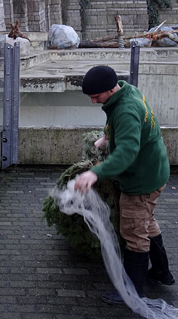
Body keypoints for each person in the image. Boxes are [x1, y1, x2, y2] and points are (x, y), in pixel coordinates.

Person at [74, 65, 174, 305]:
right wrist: (108, 137)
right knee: (147, 221)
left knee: (133, 232)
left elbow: (127, 153)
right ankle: (162, 272)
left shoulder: (126, 110)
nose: (92, 101)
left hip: (141, 179)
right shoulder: (127, 91)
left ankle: (133, 291)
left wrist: (95, 173)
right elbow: (124, 123)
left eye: (96, 96)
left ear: (111, 89)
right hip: (155, 170)